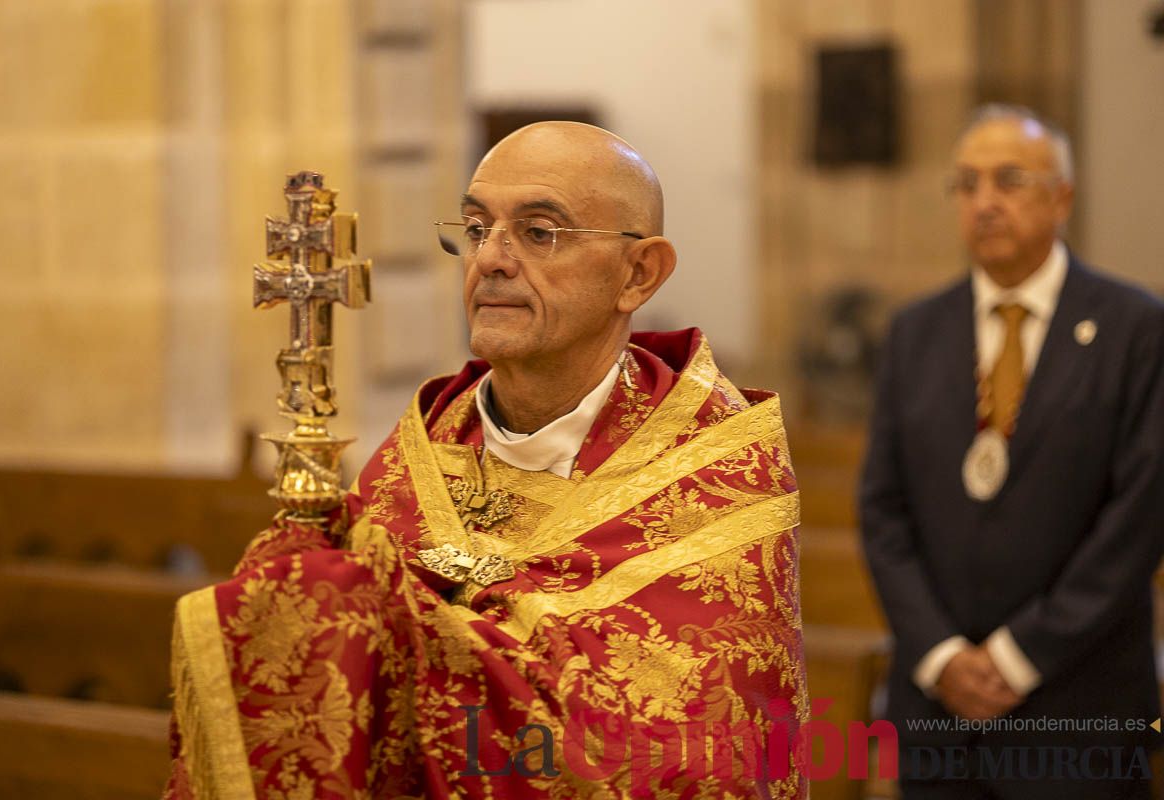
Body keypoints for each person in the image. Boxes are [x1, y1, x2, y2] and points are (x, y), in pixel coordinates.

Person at [165, 122, 807, 799]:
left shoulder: (714, 472)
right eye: (475, 229)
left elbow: (680, 758)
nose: (491, 259)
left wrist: (389, 618)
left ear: (638, 273)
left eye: (538, 232)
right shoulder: (431, 437)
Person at [860, 104, 1164, 799]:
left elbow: (1142, 514)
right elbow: (882, 509)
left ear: (1063, 197)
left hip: (1078, 709)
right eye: (967, 184)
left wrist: (1019, 654)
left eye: (1009, 180)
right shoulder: (914, 332)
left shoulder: (1136, 327)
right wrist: (941, 654)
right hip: (937, 713)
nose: (985, 202)